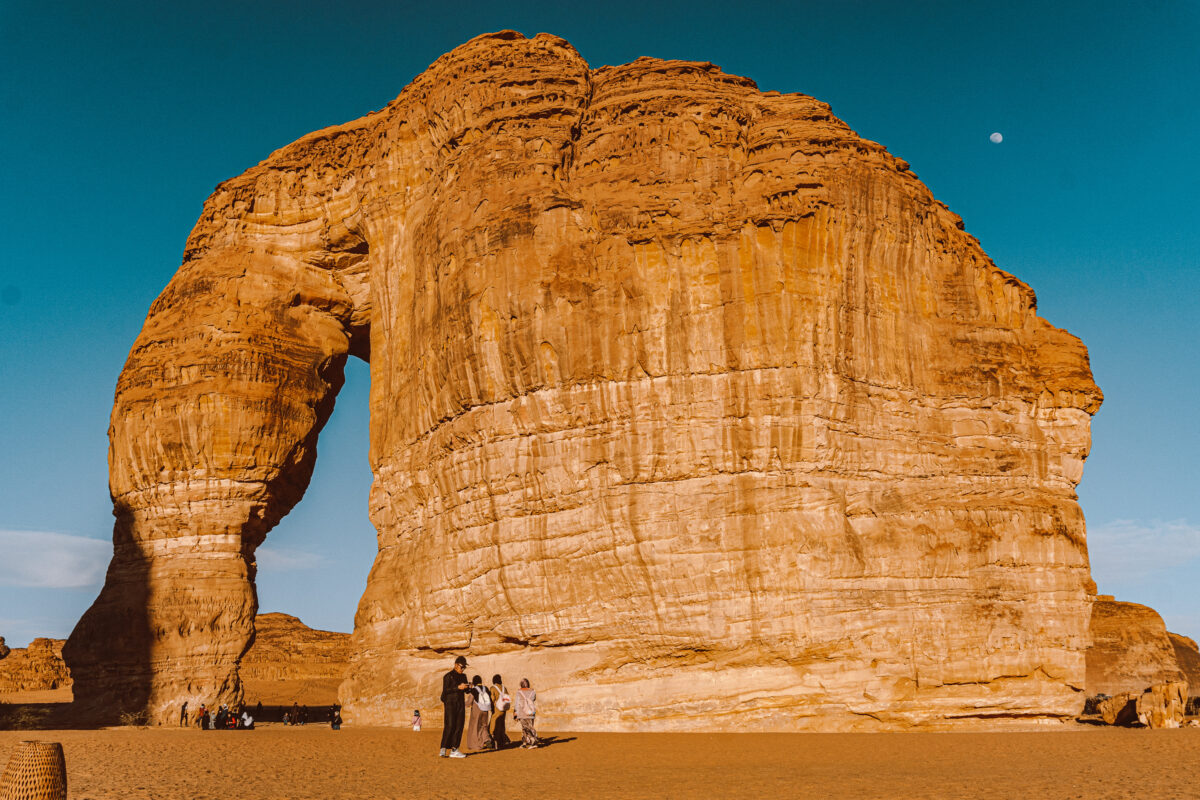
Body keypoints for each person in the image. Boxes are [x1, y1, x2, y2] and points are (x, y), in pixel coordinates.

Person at [439, 655, 471, 758]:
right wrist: (458, 687)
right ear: (456, 665)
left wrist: (469, 687)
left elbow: (466, 691)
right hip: (450, 703)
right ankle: (443, 749)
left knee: (459, 726)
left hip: (460, 704)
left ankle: (455, 749)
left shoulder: (464, 676)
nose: (463, 669)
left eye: (464, 667)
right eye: (462, 666)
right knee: (449, 725)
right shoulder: (448, 676)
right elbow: (446, 690)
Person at [464, 675, 494, 751]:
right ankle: (487, 739)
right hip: (485, 710)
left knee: (475, 727)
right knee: (484, 726)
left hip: (477, 711)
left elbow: (469, 702)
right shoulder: (486, 688)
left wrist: (462, 704)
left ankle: (477, 745)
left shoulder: (474, 690)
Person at [514, 678, 538, 749]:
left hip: (522, 712)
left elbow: (517, 703)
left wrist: (515, 713)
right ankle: (524, 742)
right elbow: (533, 699)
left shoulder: (519, 692)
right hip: (531, 712)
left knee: (525, 728)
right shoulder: (533, 691)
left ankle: (533, 741)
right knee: (529, 727)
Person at [489, 674, 511, 748]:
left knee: (494, 725)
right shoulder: (504, 688)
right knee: (501, 725)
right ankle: (502, 742)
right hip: (504, 709)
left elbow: (492, 699)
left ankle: (494, 741)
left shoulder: (493, 688)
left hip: (497, 709)